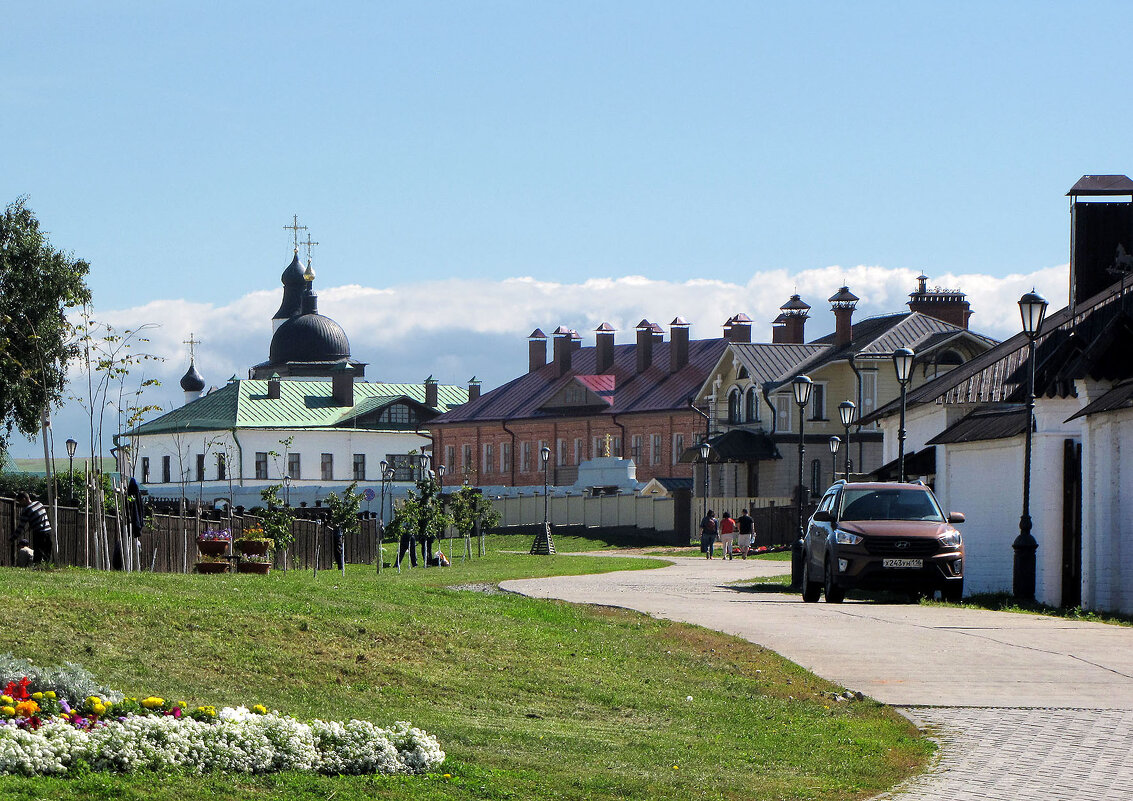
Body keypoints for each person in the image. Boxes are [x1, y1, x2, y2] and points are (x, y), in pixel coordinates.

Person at [16, 492, 53, 564]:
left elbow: (20, 527)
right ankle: (47, 566)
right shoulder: (39, 504)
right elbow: (40, 516)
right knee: (47, 552)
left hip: (39, 533)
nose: (20, 504)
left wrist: (12, 538)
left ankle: (37, 566)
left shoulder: (26, 510)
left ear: (24, 499)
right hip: (48, 531)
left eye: (20, 501)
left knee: (38, 553)